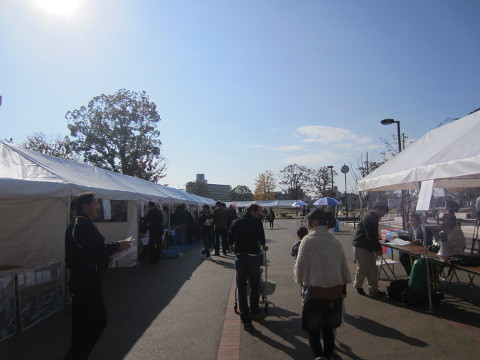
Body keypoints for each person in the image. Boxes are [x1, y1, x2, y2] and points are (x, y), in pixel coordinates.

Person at [64, 192, 132, 360]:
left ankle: (77, 355)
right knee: (98, 321)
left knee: (81, 323)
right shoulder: (83, 225)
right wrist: (118, 245)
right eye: (95, 203)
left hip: (79, 279)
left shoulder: (75, 224)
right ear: (85, 207)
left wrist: (107, 255)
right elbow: (98, 249)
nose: (98, 206)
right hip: (87, 281)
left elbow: (88, 252)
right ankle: (74, 356)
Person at [294, 209, 352, 360]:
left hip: (315, 291)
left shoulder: (307, 240)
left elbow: (300, 270)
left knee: (313, 328)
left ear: (314, 222)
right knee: (328, 328)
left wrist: (302, 279)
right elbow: (343, 266)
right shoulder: (334, 240)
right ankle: (328, 355)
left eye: (308, 222)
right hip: (335, 291)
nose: (307, 226)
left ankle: (318, 356)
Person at [230, 204, 268, 330]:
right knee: (254, 284)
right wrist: (264, 246)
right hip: (253, 257)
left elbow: (230, 241)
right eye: (259, 211)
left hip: (240, 257)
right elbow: (262, 241)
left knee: (241, 287)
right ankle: (254, 310)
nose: (260, 214)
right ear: (253, 210)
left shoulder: (236, 222)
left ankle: (245, 318)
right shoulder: (257, 223)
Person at [352, 203, 389, 297]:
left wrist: (377, 245)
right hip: (361, 246)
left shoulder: (374, 217)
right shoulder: (370, 217)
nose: (383, 215)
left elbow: (373, 234)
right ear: (377, 209)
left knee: (373, 269)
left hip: (369, 246)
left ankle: (373, 289)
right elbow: (370, 235)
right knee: (363, 268)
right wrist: (378, 248)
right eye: (383, 212)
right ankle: (358, 286)